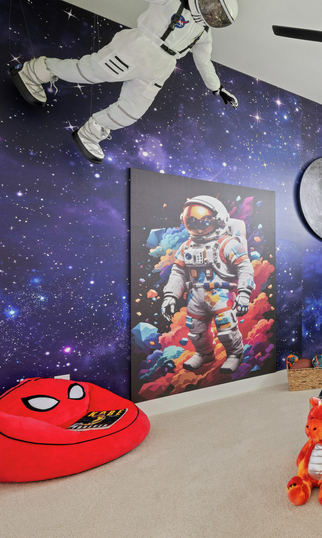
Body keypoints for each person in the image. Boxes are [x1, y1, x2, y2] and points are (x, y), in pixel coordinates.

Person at [9, 0, 239, 164]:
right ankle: (34, 71)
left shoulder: (203, 34)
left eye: (219, 17)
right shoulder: (170, 2)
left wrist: (217, 88)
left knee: (133, 110)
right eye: (214, 9)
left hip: (163, 66)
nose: (212, 15)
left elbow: (204, 62)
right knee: (90, 72)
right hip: (139, 46)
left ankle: (91, 132)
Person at [161, 195, 255, 374]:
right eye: (191, 220)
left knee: (226, 329)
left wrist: (244, 293)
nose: (197, 225)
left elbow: (245, 268)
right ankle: (204, 353)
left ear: (219, 219)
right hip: (195, 295)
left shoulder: (227, 244)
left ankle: (234, 354)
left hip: (220, 293)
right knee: (195, 330)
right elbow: (178, 272)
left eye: (203, 220)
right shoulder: (186, 246)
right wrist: (170, 296)